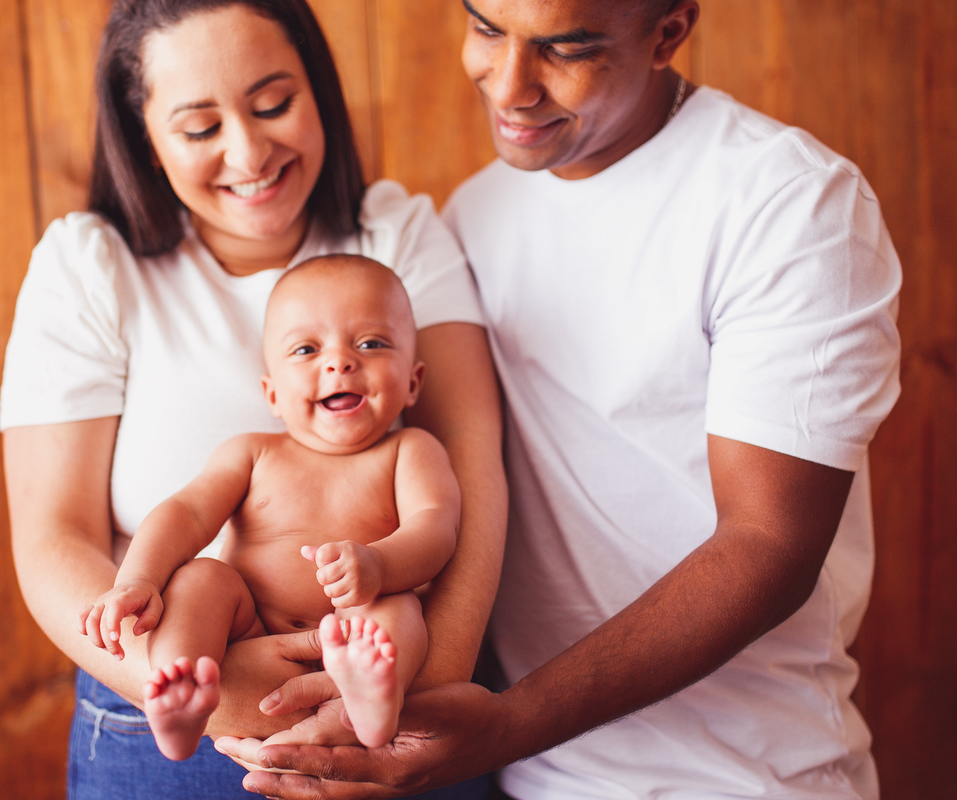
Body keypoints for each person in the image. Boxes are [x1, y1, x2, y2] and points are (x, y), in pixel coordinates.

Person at [218, 1, 902, 798]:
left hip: (742, 773)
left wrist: (507, 722)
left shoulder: (788, 203)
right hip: (530, 775)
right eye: (485, 28)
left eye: (565, 48)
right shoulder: (472, 216)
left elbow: (769, 545)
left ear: (670, 31)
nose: (509, 87)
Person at [0, 0, 507, 798]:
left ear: (319, 92)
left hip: (398, 697)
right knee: (198, 582)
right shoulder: (90, 263)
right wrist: (209, 689)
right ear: (145, 140)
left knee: (394, 610)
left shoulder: (395, 233)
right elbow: (51, 540)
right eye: (200, 128)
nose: (249, 150)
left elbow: (468, 489)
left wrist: (406, 696)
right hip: (161, 698)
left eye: (274, 104)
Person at [79, 256, 460, 758]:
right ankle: (182, 687)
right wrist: (139, 578)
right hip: (247, 624)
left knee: (398, 605)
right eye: (307, 349)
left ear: (413, 381)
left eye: (371, 343)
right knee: (198, 579)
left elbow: (436, 527)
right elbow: (187, 513)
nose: (340, 361)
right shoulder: (253, 453)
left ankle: (373, 693)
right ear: (272, 393)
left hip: (356, 630)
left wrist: (380, 564)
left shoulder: (411, 450)